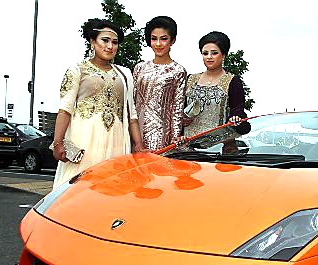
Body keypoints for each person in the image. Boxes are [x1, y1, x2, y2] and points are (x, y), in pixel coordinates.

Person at [52, 18, 144, 189]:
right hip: (84, 140)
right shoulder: (77, 70)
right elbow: (65, 109)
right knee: (77, 189)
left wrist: (138, 145)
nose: (110, 46)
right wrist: (58, 142)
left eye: (114, 42)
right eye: (105, 40)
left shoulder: (125, 74)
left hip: (116, 141)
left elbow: (132, 115)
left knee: (112, 189)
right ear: (92, 42)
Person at [182, 31, 250, 154]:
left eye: (214, 53)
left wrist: (235, 118)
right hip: (188, 147)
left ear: (223, 55)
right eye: (205, 53)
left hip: (219, 149)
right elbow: (178, 109)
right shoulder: (190, 79)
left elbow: (238, 112)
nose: (209, 57)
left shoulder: (233, 82)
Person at [133, 16, 187, 150]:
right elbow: (132, 103)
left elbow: (177, 108)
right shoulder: (139, 68)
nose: (158, 44)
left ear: (172, 40)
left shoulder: (178, 71)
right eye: (154, 39)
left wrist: (175, 138)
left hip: (160, 132)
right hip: (134, 129)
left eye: (163, 39)